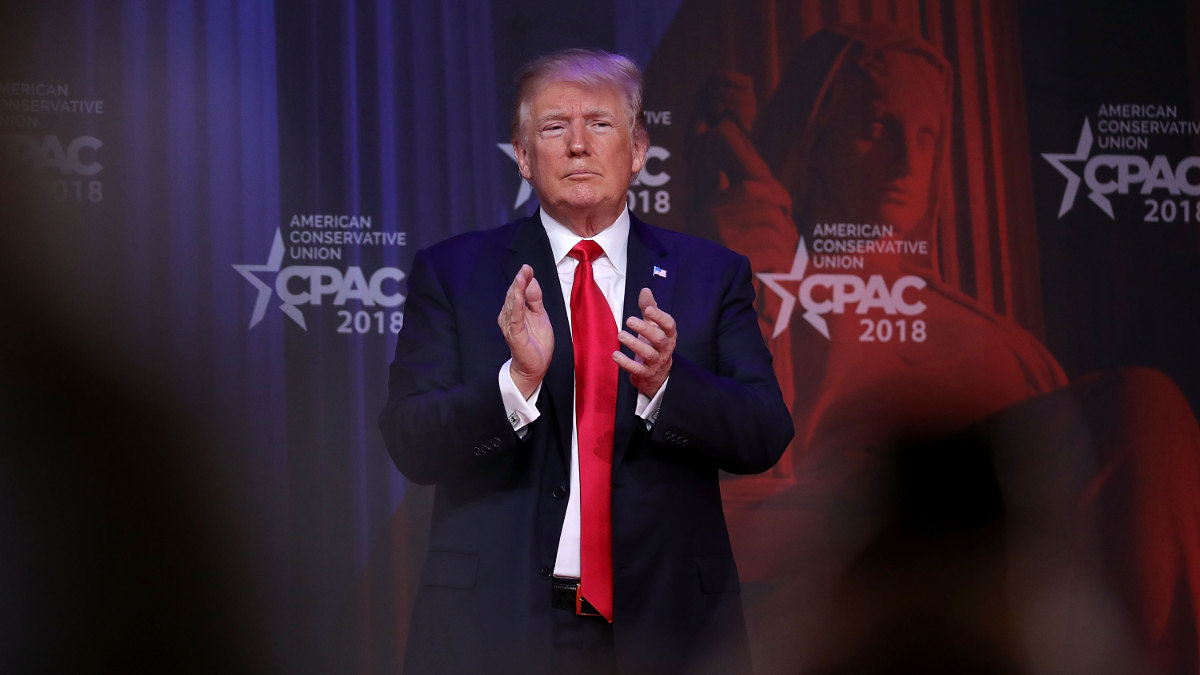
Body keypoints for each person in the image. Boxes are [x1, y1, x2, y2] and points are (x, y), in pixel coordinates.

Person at [684, 23, 1200, 673]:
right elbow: (724, 493)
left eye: (926, 136)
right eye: (877, 127)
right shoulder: (769, 294)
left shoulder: (1005, 343)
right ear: (815, 140)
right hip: (851, 596)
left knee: (1146, 411)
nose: (907, 161)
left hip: (1020, 606)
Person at [378, 48, 793, 674]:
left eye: (600, 123)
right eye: (554, 127)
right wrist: (516, 383)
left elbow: (764, 432)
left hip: (668, 629)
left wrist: (667, 385)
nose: (578, 145)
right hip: (497, 629)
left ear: (638, 148)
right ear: (523, 155)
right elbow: (412, 442)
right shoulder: (454, 272)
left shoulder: (711, 274)